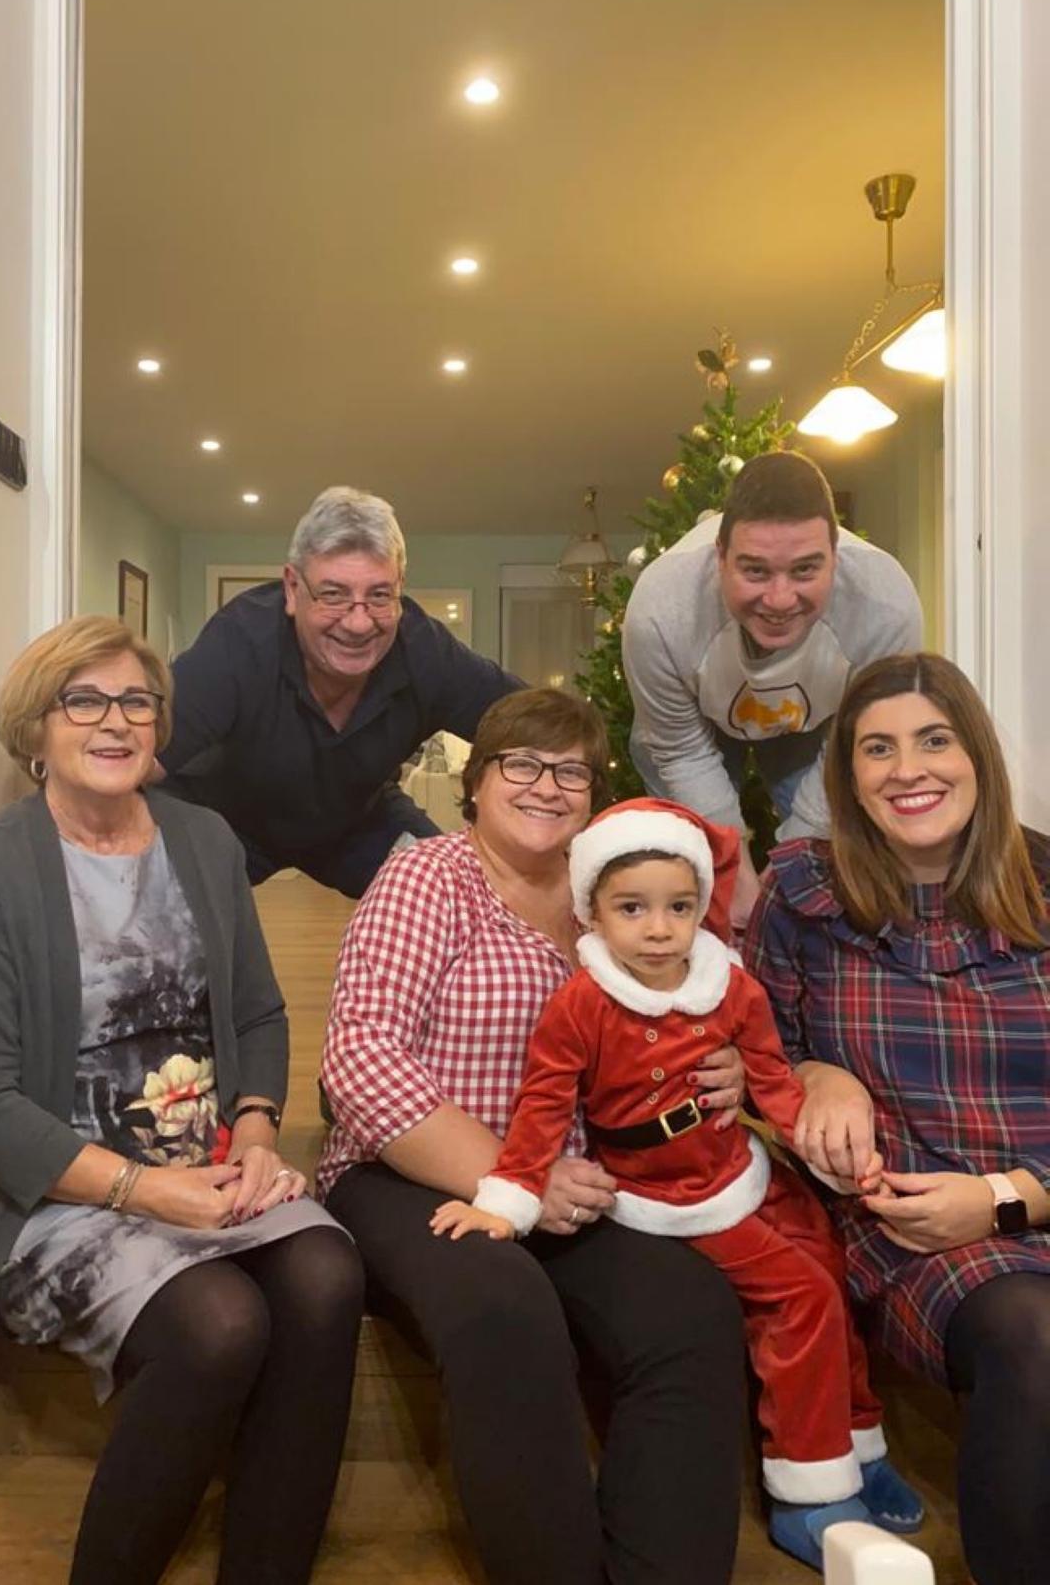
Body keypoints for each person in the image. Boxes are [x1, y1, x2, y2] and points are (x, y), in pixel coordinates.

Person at [0, 615, 364, 1585]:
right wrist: (150, 1193)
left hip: (206, 1167)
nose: (115, 722)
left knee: (326, 1276)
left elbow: (260, 1012)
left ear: (159, 727)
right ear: (38, 729)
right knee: (221, 1325)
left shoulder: (202, 838)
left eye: (136, 702)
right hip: (55, 1196)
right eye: (85, 700)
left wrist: (253, 1132)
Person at [317, 688, 750, 1585]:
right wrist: (517, 1176)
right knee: (505, 1312)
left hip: (579, 1183)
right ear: (475, 783)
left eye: (571, 771)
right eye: (521, 763)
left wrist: (730, 1070)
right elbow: (359, 1059)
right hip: (411, 1176)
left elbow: (692, 1018)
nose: (546, 786)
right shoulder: (428, 876)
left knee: (693, 1315)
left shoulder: (612, 901)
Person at [432, 796, 922, 1572]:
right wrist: (508, 1198)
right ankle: (809, 1488)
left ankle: (856, 1440)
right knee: (799, 1294)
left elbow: (771, 1079)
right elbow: (542, 1107)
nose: (659, 929)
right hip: (666, 1198)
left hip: (734, 1168)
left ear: (702, 908)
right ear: (593, 911)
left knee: (828, 1257)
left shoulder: (730, 987)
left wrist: (821, 1149)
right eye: (634, 908)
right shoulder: (581, 1005)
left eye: (679, 907)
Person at [743, 652, 1050, 1585]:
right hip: (921, 1239)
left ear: (977, 757)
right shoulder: (804, 893)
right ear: (848, 776)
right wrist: (816, 1071)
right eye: (877, 749)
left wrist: (1005, 1198)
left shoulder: (1043, 882)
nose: (907, 769)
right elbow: (745, 1057)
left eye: (932, 740)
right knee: (1033, 1337)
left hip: (1019, 1199)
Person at [159, 486, 522, 897]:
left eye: (379, 595)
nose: (358, 623)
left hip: (357, 823)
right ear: (293, 589)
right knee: (159, 907)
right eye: (333, 594)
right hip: (228, 818)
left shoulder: (426, 652)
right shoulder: (239, 641)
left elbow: (537, 728)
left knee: (456, 896)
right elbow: (140, 755)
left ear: (400, 588)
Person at [622, 450, 922, 928]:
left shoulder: (886, 607)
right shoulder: (660, 611)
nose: (780, 600)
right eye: (755, 571)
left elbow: (857, 745)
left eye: (805, 570)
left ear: (835, 558)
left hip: (823, 726)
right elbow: (680, 751)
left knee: (816, 865)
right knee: (701, 866)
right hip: (697, 729)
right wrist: (733, 869)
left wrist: (787, 870)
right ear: (719, 558)